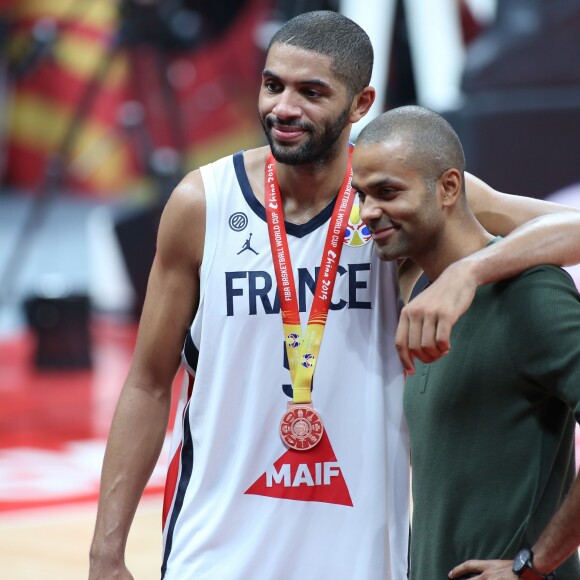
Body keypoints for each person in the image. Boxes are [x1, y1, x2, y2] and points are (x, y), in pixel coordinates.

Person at [89, 11, 580, 580]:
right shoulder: (203, 204)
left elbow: (570, 227)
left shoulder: (396, 200)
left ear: (361, 102)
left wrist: (467, 274)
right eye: (273, 85)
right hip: (217, 550)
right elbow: (149, 383)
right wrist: (106, 552)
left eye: (311, 92)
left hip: (363, 553)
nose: (284, 108)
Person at [352, 105, 580, 580]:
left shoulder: (530, 291)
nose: (369, 212)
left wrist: (532, 567)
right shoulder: (416, 294)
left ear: (450, 187)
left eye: (388, 193)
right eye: (362, 196)